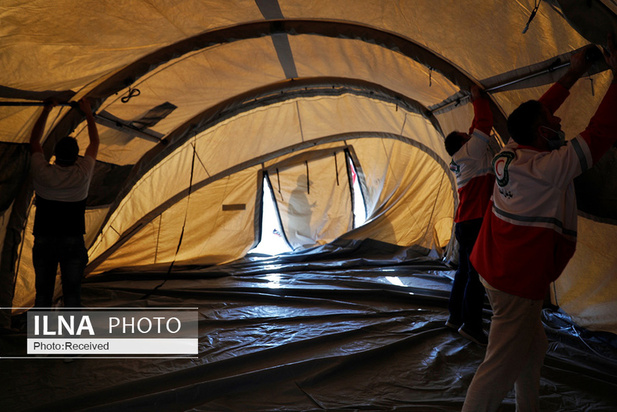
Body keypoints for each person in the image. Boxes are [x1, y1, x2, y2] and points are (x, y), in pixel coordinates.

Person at [462, 36, 617, 412]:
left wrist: (574, 73)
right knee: (498, 366)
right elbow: (600, 133)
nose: (559, 121)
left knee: (534, 347)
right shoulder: (547, 169)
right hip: (515, 283)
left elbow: (537, 111)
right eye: (551, 123)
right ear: (539, 133)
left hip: (495, 269)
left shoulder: (511, 153)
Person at [30, 98, 99, 308]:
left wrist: (46, 110)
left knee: (42, 294)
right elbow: (94, 143)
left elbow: (34, 141)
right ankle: (71, 337)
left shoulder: (42, 173)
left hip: (44, 239)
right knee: (72, 295)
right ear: (76, 157)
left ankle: (40, 338)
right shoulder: (83, 173)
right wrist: (88, 112)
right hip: (72, 240)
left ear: (55, 155)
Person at [443, 85, 496, 345]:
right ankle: (472, 325)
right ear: (464, 142)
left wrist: (478, 103)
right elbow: (484, 124)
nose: (471, 134)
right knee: (475, 275)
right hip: (475, 221)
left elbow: (476, 129)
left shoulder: (461, 156)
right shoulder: (471, 152)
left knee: (464, 271)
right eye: (467, 135)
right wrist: (477, 99)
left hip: (464, 222)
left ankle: (455, 317)